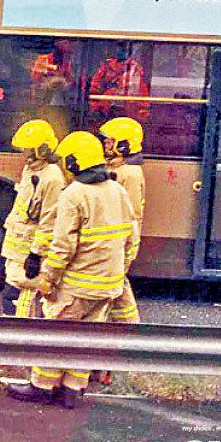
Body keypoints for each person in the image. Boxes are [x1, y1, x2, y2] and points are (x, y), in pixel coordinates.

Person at [8, 131, 136, 409]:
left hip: (76, 286)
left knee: (55, 334)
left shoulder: (74, 194)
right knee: (86, 338)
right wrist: (120, 270)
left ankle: (42, 387)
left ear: (75, 162)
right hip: (107, 286)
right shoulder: (118, 190)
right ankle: (71, 390)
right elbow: (131, 236)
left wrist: (47, 280)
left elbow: (63, 246)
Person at [2, 120, 62, 318]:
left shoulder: (52, 177)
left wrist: (36, 255)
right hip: (18, 249)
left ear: (41, 150)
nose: (24, 154)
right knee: (13, 296)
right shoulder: (31, 170)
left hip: (29, 252)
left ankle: (19, 338)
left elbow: (49, 222)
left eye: (28, 150)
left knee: (20, 298)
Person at [99, 116, 145, 324]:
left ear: (124, 145)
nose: (105, 144)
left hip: (120, 240)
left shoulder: (130, 173)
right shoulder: (117, 168)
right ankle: (128, 326)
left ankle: (127, 327)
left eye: (110, 141)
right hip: (115, 239)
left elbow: (132, 213)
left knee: (115, 282)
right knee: (117, 283)